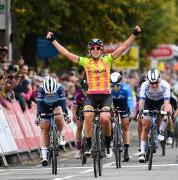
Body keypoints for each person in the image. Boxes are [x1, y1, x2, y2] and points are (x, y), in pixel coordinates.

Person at [46, 25, 141, 159]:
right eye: (93, 48)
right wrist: (53, 40)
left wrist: (134, 34)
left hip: (105, 96)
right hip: (91, 96)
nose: (95, 50)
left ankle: (108, 145)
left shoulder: (107, 60)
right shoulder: (85, 62)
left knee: (105, 118)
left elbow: (123, 47)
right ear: (90, 50)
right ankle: (89, 145)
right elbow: (66, 53)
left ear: (101, 50)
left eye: (98, 48)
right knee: (88, 117)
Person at [138, 69, 171, 163]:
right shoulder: (144, 85)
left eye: (156, 82)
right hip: (149, 102)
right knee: (145, 125)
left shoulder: (165, 85)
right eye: (151, 83)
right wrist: (140, 111)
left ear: (160, 79)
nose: (154, 85)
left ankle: (160, 131)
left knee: (166, 114)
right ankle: (142, 152)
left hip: (161, 102)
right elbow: (142, 101)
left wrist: (166, 113)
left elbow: (167, 103)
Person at [37, 76, 67, 166]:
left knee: (59, 115)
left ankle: (60, 135)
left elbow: (63, 105)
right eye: (48, 94)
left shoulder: (60, 88)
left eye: (52, 94)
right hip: (45, 107)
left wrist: (65, 115)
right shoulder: (41, 90)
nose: (50, 95)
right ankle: (44, 157)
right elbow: (39, 106)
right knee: (44, 128)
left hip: (57, 106)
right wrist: (38, 116)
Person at [110, 72, 133, 162]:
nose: (115, 87)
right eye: (113, 85)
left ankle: (126, 151)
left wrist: (131, 112)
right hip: (113, 104)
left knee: (125, 126)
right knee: (106, 118)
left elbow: (130, 102)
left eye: (117, 85)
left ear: (121, 83)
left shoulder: (126, 88)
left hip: (124, 105)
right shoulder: (108, 88)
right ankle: (111, 137)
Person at [72, 80, 88, 159]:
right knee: (79, 127)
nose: (86, 92)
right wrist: (74, 115)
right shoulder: (78, 94)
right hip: (80, 110)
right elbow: (74, 107)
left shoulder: (92, 94)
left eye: (87, 90)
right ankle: (78, 149)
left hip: (90, 111)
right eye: (84, 90)